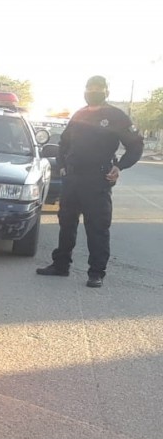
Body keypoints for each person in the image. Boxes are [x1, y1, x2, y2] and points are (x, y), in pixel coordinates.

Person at [36, 75, 144, 288]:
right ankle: (61, 265)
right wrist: (64, 165)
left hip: (98, 180)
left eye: (98, 88)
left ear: (106, 91)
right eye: (90, 87)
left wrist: (119, 166)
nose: (93, 91)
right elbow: (64, 144)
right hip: (73, 179)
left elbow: (136, 145)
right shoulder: (80, 114)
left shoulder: (116, 116)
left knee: (97, 227)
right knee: (66, 223)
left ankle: (96, 273)